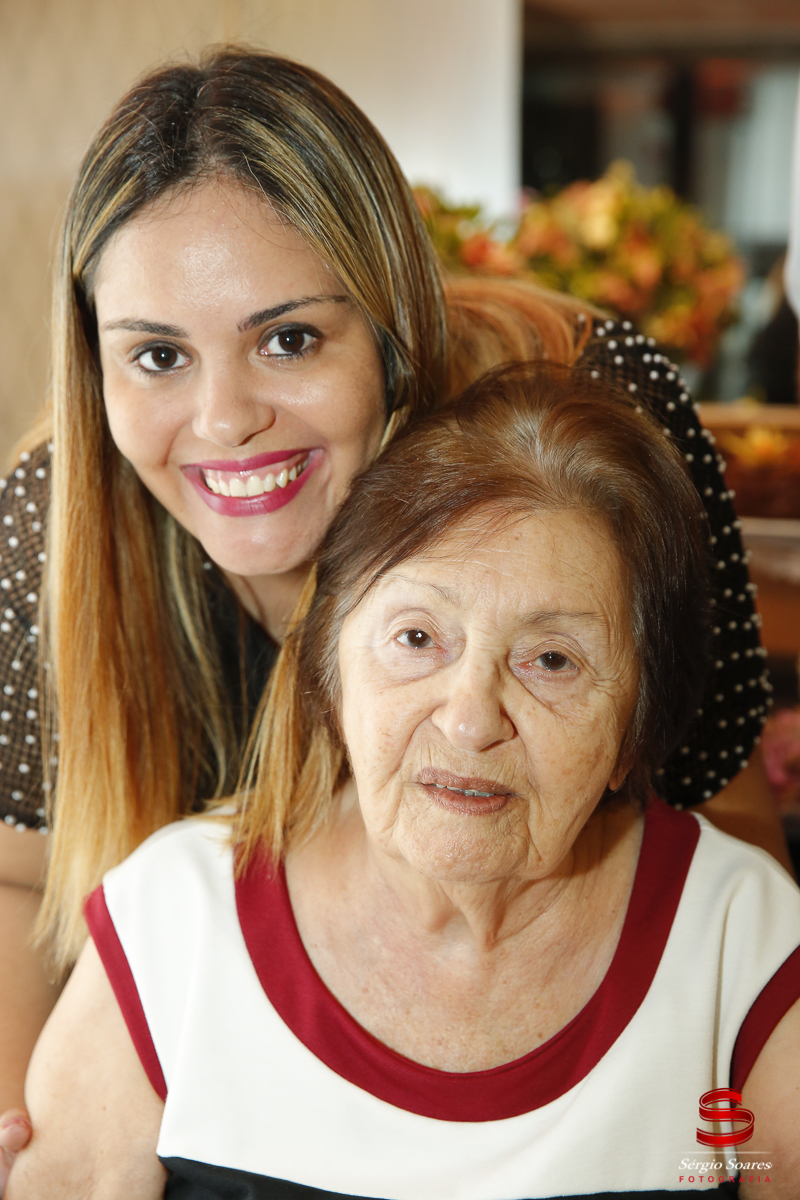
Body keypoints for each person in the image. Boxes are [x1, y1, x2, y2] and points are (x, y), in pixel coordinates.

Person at [0, 44, 784, 1171]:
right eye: (159, 355)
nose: (224, 421)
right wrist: (44, 1125)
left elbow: (723, 819)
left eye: (288, 339)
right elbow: (20, 871)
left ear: (391, 325)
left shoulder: (595, 420)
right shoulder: (54, 520)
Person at [7, 364, 799, 1199]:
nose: (469, 720)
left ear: (636, 729)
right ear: (328, 669)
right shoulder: (173, 922)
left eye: (552, 660)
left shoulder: (744, 943)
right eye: (418, 638)